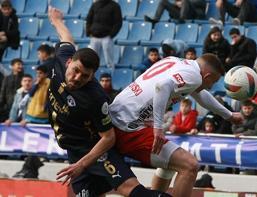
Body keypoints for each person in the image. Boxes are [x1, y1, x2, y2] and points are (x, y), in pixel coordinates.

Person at [48, 7, 171, 197]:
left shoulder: (95, 98)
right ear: (69, 61)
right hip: (74, 150)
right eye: (76, 71)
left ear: (92, 76)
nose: (77, 78)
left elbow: (108, 137)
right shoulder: (61, 57)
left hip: (95, 149)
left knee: (131, 190)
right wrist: (56, 20)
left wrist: (82, 164)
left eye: (85, 76)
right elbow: (67, 38)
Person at [109, 53, 241, 196]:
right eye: (212, 82)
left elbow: (201, 95)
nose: (210, 86)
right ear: (207, 76)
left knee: (170, 164)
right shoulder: (195, 76)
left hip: (117, 115)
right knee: (190, 165)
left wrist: (229, 115)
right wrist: (158, 128)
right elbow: (162, 86)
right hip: (128, 126)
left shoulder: (174, 61)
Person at [86, 0, 122, 69]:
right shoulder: (95, 4)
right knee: (93, 59)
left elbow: (118, 22)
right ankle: (93, 76)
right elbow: (89, 19)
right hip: (94, 37)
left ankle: (111, 75)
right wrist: (88, 32)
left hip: (106, 37)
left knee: (109, 60)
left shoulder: (115, 6)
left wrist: (111, 35)